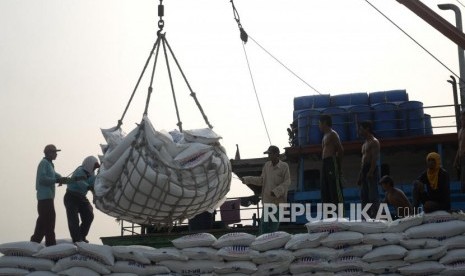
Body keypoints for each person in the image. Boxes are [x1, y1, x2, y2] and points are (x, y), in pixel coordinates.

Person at [242, 145, 290, 234]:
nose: (269, 156)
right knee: (264, 226)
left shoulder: (284, 166)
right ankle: (261, 244)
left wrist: (276, 191)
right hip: (267, 202)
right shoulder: (267, 166)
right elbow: (261, 180)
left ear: (276, 154)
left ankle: (270, 245)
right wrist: (247, 179)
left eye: (270, 154)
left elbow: (287, 182)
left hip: (278, 203)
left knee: (273, 227)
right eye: (268, 154)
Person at [31, 144, 67, 246]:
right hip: (44, 198)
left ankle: (34, 243)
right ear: (49, 153)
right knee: (50, 222)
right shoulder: (44, 163)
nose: (56, 154)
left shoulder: (50, 165)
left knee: (42, 224)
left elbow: (55, 175)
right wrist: (57, 180)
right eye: (55, 152)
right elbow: (42, 179)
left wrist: (61, 178)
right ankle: (51, 245)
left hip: (48, 198)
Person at [64, 156, 100, 243]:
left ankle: (81, 236)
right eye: (94, 166)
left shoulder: (92, 174)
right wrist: (89, 187)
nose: (94, 168)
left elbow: (93, 185)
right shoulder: (79, 171)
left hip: (81, 197)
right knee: (74, 219)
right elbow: (80, 182)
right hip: (71, 196)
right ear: (89, 164)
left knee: (89, 215)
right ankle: (77, 240)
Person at [319, 115, 344, 209]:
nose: (319, 126)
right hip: (325, 163)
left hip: (332, 162)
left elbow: (340, 150)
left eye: (319, 123)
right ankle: (329, 216)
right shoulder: (325, 135)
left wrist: (338, 166)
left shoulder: (333, 134)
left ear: (324, 123)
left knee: (335, 189)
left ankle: (340, 215)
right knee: (325, 189)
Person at [357, 121, 380, 218]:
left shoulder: (374, 141)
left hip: (371, 169)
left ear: (367, 129)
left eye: (361, 129)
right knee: (364, 196)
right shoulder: (364, 144)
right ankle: (365, 217)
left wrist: (371, 171)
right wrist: (360, 175)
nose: (359, 131)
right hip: (364, 169)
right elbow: (363, 161)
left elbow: (374, 158)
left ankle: (376, 217)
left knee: (373, 196)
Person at [454, 110, 465, 193]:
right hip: (461, 156)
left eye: (463, 117)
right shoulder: (460, 131)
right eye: (461, 117)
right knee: (462, 174)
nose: (462, 119)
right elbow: (459, 146)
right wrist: (456, 159)